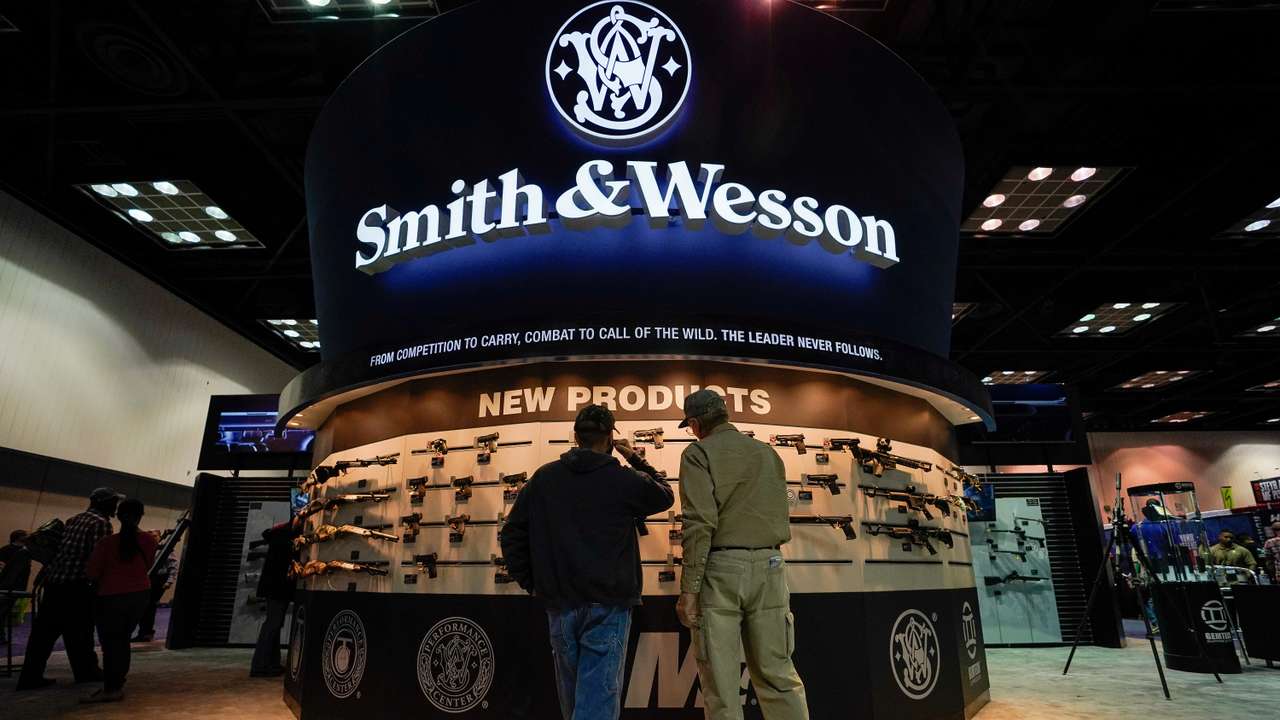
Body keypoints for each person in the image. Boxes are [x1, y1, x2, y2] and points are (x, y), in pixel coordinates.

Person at [501, 404, 674, 720]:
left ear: (576, 436)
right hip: (607, 606)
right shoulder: (623, 479)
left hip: (561, 605)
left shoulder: (544, 478)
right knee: (596, 706)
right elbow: (665, 494)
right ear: (609, 438)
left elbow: (511, 535)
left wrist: (535, 583)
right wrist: (633, 457)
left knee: (575, 704)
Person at [676, 389, 809, 720]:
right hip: (771, 567)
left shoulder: (698, 453)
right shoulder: (767, 453)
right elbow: (779, 508)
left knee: (721, 686)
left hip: (722, 572)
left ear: (694, 423)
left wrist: (689, 589)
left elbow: (699, 523)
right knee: (778, 676)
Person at [17, 487, 120, 691]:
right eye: (113, 502)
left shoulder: (74, 519)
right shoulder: (101, 524)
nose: (115, 507)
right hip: (77, 587)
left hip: (54, 583)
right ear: (105, 503)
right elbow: (97, 558)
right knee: (81, 633)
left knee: (43, 635)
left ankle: (30, 676)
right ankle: (85, 671)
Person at [83, 498, 157, 703]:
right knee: (123, 640)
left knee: (111, 643)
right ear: (141, 515)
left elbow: (92, 572)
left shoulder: (107, 543)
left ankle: (111, 687)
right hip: (140, 594)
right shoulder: (149, 541)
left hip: (111, 596)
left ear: (118, 515)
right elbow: (148, 564)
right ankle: (117, 681)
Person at [251, 515, 303, 677]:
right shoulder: (286, 538)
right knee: (272, 624)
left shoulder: (280, 533)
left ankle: (271, 663)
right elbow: (286, 562)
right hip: (278, 587)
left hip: (277, 587)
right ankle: (260, 665)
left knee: (275, 624)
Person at [0, 530, 32, 643]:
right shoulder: (12, 551)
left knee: (3, 612)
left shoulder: (24, 551)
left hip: (14, 586)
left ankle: (1, 636)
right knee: (2, 612)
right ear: (20, 538)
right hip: (9, 586)